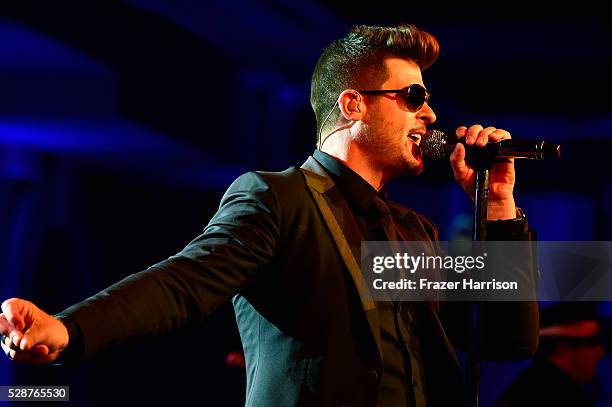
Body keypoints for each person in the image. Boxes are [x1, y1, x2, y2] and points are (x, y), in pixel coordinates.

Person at [1, 24, 538, 406]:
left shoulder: (412, 232)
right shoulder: (279, 199)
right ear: (353, 105)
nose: (430, 112)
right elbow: (183, 283)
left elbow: (507, 341)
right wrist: (69, 329)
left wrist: (498, 204)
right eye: (413, 95)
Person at [497, 303, 606, 407]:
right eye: (592, 342)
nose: (600, 351)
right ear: (562, 346)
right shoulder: (556, 395)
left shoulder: (526, 385)